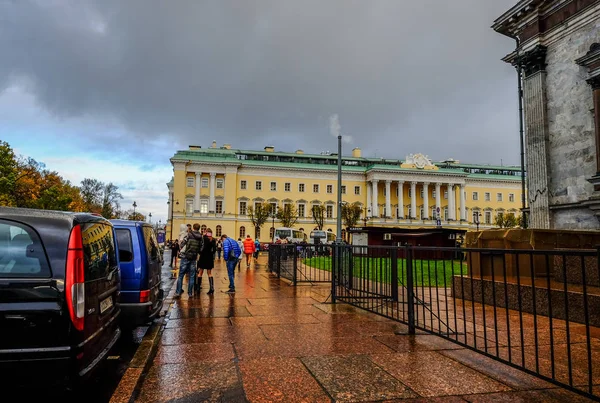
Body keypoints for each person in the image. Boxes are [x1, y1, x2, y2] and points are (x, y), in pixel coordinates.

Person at [174, 223, 203, 298]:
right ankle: (190, 293)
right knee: (192, 276)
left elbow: (182, 243)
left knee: (181, 275)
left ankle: (178, 292)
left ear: (193, 228)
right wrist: (197, 252)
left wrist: (180, 249)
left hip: (185, 256)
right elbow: (201, 248)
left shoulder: (189, 235)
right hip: (193, 257)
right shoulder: (200, 237)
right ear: (199, 228)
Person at [196, 228, 217, 295]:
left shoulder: (203, 238)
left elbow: (200, 248)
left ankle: (198, 288)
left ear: (206, 233)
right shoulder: (213, 239)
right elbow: (214, 250)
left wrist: (200, 253)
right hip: (209, 258)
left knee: (200, 272)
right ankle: (211, 288)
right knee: (209, 273)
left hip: (203, 257)